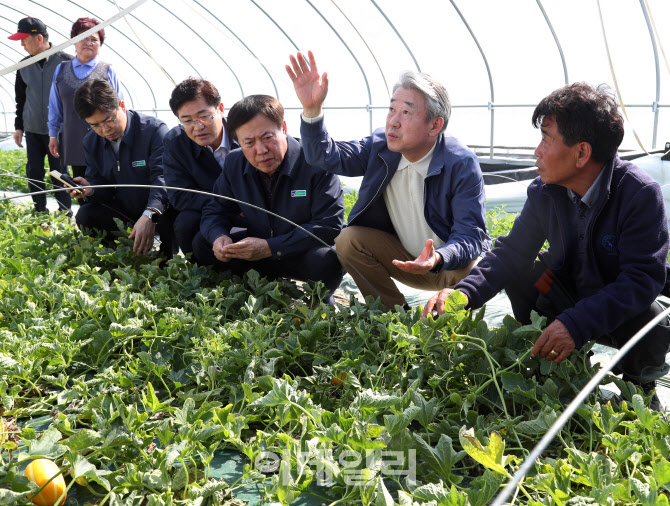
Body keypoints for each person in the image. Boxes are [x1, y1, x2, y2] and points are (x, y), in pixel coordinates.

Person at [423, 82, 670, 411]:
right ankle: (547, 357)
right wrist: (464, 294)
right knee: (522, 272)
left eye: (546, 139)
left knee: (653, 318)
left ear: (581, 153)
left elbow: (641, 279)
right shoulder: (545, 192)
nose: (537, 151)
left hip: (619, 310)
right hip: (568, 292)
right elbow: (510, 253)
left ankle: (639, 389)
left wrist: (576, 324)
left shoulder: (638, 193)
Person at [286, 51, 490, 310]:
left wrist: (438, 257)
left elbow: (470, 236)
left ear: (434, 125)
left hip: (450, 267)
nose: (393, 121)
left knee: (473, 268)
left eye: (406, 112)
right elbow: (324, 156)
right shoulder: (381, 147)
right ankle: (393, 315)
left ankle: (446, 320)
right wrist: (312, 110)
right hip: (402, 258)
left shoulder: (459, 162)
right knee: (348, 240)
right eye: (392, 108)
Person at [192, 94, 345, 299]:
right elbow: (215, 209)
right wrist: (219, 236)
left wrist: (271, 248)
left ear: (283, 128)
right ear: (239, 142)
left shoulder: (314, 162)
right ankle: (248, 291)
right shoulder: (235, 163)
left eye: (267, 138)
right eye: (249, 142)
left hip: (300, 251)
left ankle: (320, 300)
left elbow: (329, 225)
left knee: (327, 259)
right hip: (259, 250)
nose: (261, 150)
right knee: (203, 242)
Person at [69, 79, 176, 258]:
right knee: (86, 215)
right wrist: (91, 189)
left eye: (108, 120)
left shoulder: (154, 131)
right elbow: (102, 186)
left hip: (159, 211)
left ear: (122, 105)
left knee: (175, 211)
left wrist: (150, 214)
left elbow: (163, 180)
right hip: (125, 210)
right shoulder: (91, 142)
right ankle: (122, 256)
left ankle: (166, 256)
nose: (105, 130)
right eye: (94, 125)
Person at [163, 78, 238, 256]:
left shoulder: (243, 132)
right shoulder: (176, 142)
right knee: (186, 222)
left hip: (254, 209)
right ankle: (201, 276)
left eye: (204, 116)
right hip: (211, 210)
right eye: (187, 120)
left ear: (220, 109)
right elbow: (179, 195)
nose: (197, 127)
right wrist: (228, 205)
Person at [9, 17, 74, 214]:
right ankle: (40, 213)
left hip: (59, 132)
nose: (21, 44)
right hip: (33, 129)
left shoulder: (67, 62)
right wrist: (19, 126)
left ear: (38, 38)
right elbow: (21, 99)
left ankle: (65, 213)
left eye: (24, 39)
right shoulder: (22, 66)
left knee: (59, 174)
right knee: (34, 172)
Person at [48, 17, 123, 179]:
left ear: (100, 44)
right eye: (83, 38)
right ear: (74, 41)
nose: (88, 42)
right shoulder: (61, 69)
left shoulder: (107, 70)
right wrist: (53, 134)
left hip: (104, 137)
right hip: (74, 138)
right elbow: (55, 107)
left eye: (94, 39)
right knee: (80, 184)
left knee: (105, 184)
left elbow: (120, 106)